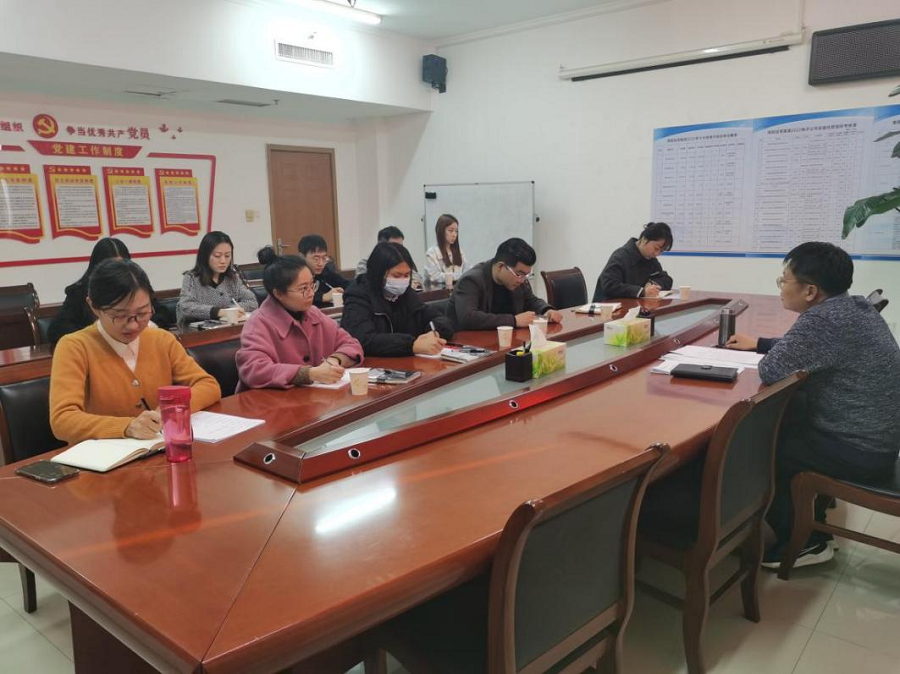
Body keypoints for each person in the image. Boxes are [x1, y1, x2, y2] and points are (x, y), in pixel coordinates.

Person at [726, 242, 900, 569]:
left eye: (784, 280)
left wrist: (766, 351)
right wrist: (761, 343)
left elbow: (772, 370)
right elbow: (818, 349)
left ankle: (807, 541)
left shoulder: (822, 321)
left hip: (859, 449)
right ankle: (809, 517)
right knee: (788, 417)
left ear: (810, 291)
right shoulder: (853, 307)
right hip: (877, 437)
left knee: (764, 447)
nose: (780, 287)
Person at [49, 259, 221, 444]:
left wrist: (170, 408)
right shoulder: (74, 347)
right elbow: (62, 420)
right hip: (103, 457)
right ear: (94, 307)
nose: (133, 325)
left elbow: (208, 385)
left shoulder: (161, 340)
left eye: (142, 313)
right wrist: (127, 427)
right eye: (119, 315)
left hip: (157, 450)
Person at [236, 247, 363, 391]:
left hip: (310, 397)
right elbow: (254, 369)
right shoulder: (258, 324)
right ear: (278, 294)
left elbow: (351, 343)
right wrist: (309, 374)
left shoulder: (313, 314)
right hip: (269, 400)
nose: (311, 293)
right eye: (303, 289)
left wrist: (334, 360)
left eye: (312, 285)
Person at [48, 237, 175, 345]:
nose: (117, 274)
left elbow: (162, 313)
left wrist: (144, 323)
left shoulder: (136, 287)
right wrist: (100, 333)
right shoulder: (79, 292)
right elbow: (58, 329)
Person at [341, 242, 453, 357]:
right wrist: (412, 345)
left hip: (405, 360)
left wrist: (434, 332)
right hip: (373, 363)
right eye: (396, 276)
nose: (402, 280)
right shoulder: (358, 295)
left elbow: (438, 318)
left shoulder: (407, 293)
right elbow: (364, 339)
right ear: (379, 274)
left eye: (407, 275)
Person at [447, 237, 562, 330]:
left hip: (502, 341)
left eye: (526, 275)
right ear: (501, 266)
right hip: (467, 343)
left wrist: (546, 310)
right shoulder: (471, 280)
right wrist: (514, 320)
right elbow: (468, 318)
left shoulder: (518, 280)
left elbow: (530, 300)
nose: (522, 280)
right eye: (519, 274)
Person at [177, 231, 258, 323]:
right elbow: (185, 307)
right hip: (198, 329)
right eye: (217, 256)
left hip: (228, 327)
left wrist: (230, 310)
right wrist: (219, 312)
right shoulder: (191, 278)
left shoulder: (232, 277)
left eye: (227, 255)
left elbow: (252, 302)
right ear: (205, 256)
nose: (223, 261)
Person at [593, 222, 674, 301]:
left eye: (661, 251)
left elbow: (666, 279)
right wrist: (642, 292)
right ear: (644, 239)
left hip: (633, 305)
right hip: (608, 306)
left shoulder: (650, 259)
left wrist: (651, 283)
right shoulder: (621, 256)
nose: (656, 254)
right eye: (656, 248)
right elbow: (609, 285)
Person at [356, 226, 423, 288]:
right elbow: (361, 285)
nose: (398, 250)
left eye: (401, 246)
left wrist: (412, 282)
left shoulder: (402, 260)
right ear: (380, 244)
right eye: (394, 246)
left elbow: (418, 277)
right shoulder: (365, 263)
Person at [298, 234, 349, 308]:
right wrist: (323, 297)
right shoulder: (295, 274)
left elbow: (346, 284)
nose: (321, 263)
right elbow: (296, 297)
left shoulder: (325, 271)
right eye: (316, 259)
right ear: (301, 257)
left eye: (324, 258)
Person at [424, 214, 470, 285]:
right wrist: (457, 276)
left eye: (456, 231)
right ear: (441, 231)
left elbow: (467, 271)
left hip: (458, 288)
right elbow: (435, 276)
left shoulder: (459, 251)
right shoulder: (432, 252)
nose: (454, 235)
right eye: (451, 231)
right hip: (440, 290)